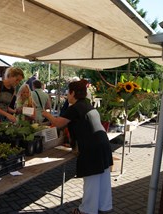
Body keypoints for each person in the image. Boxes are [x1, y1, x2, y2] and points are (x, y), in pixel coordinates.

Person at [42, 79, 113, 214]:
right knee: (103, 177)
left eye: (67, 93)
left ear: (73, 93)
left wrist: (46, 114)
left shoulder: (74, 108)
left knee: (92, 180)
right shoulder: (88, 105)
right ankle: (104, 206)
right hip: (103, 143)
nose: (67, 96)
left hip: (92, 147)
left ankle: (87, 210)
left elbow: (58, 123)